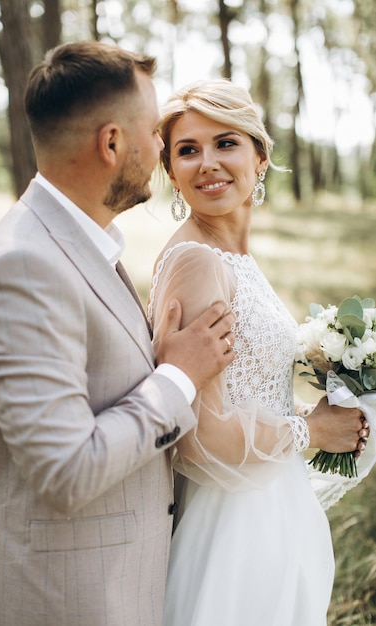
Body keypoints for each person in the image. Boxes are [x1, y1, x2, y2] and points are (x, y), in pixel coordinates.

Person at [0, 43, 237, 626]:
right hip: (65, 598)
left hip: (115, 581)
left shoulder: (80, 242)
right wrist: (179, 377)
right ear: (112, 143)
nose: (161, 148)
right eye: (154, 132)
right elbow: (66, 469)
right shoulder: (24, 268)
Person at [147, 79, 372, 626]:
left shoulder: (231, 256)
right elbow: (198, 437)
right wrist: (311, 432)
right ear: (171, 172)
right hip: (233, 529)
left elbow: (243, 396)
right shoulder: (198, 262)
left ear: (261, 157)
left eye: (226, 143)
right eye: (187, 150)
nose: (207, 163)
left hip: (270, 505)